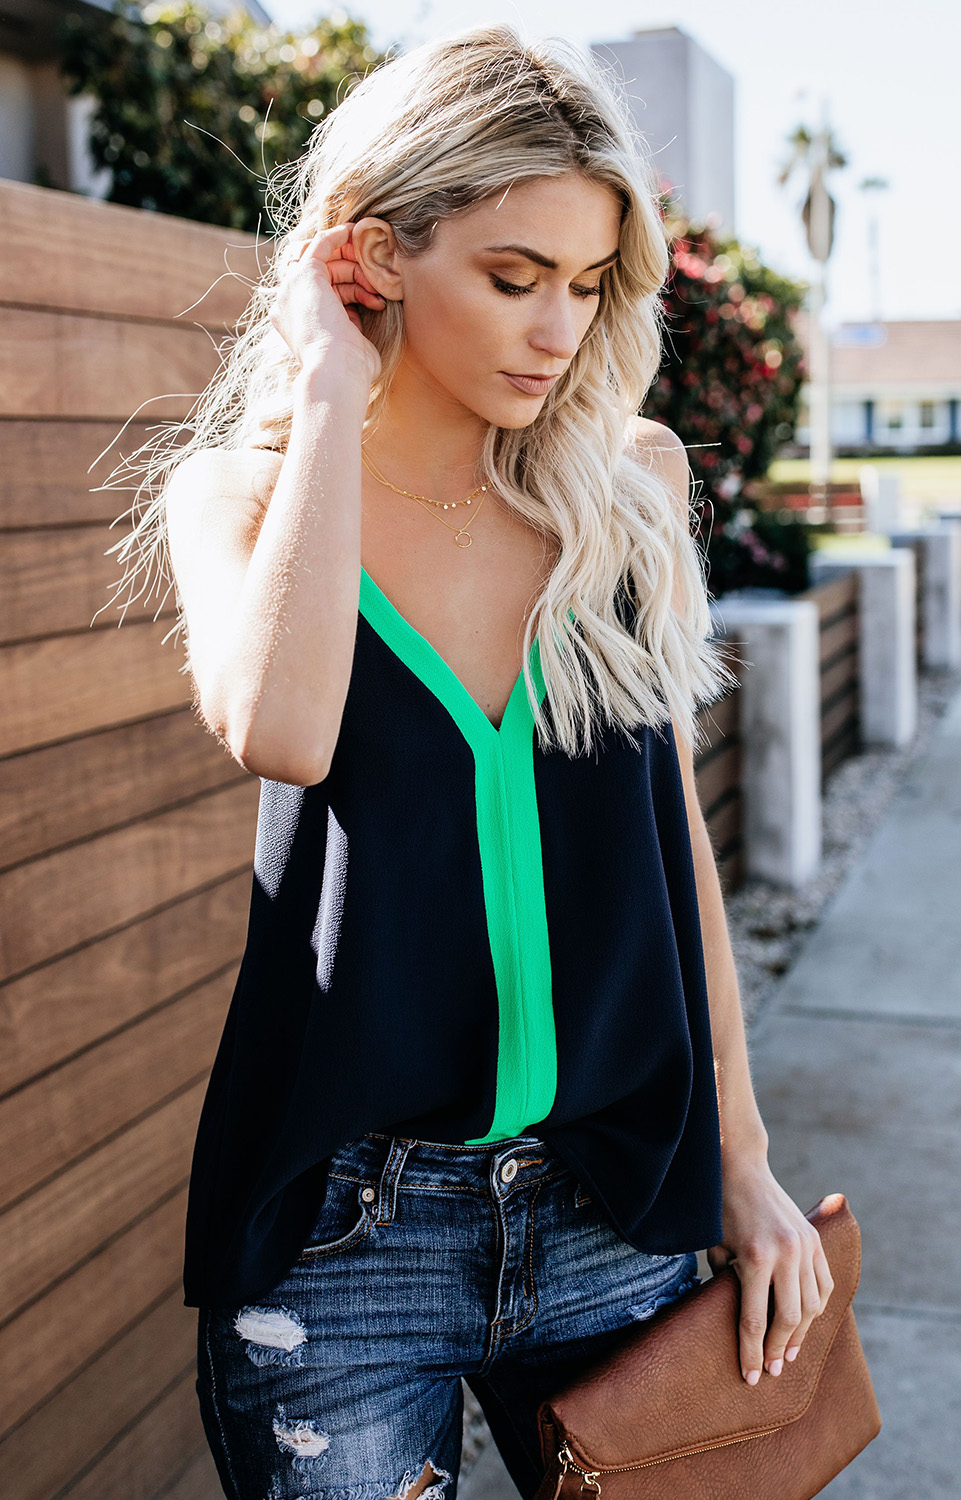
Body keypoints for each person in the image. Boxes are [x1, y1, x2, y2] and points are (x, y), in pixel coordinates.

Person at [114, 22, 835, 1500]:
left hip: (611, 1206)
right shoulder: (240, 497)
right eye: (511, 279)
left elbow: (666, 844)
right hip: (343, 1243)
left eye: (582, 285)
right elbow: (282, 731)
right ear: (370, 255)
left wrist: (741, 1160)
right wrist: (325, 390)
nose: (555, 329)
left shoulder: (626, 488)